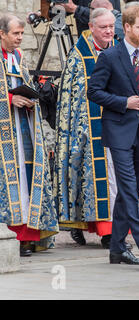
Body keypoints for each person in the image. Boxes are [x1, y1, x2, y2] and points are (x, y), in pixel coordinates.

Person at [54, 7, 139, 249]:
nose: (110, 31)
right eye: (104, 27)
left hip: (125, 127)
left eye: (112, 26)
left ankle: (115, 237)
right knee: (102, 179)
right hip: (91, 129)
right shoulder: (78, 56)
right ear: (91, 27)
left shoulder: (123, 51)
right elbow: (76, 98)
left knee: (122, 181)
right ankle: (107, 232)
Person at [87, 4, 139, 265]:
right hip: (118, 130)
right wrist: (124, 102)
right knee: (126, 186)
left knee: (131, 190)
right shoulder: (110, 57)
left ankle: (116, 249)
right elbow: (94, 92)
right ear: (126, 27)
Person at [0, 13, 58, 256]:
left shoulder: (19, 56)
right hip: (5, 131)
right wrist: (11, 99)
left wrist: (33, 99)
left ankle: (27, 235)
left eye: (22, 34)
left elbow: (27, 84)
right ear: (2, 33)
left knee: (26, 175)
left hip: (23, 126)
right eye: (16, 34)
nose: (20, 38)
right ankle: (10, 233)